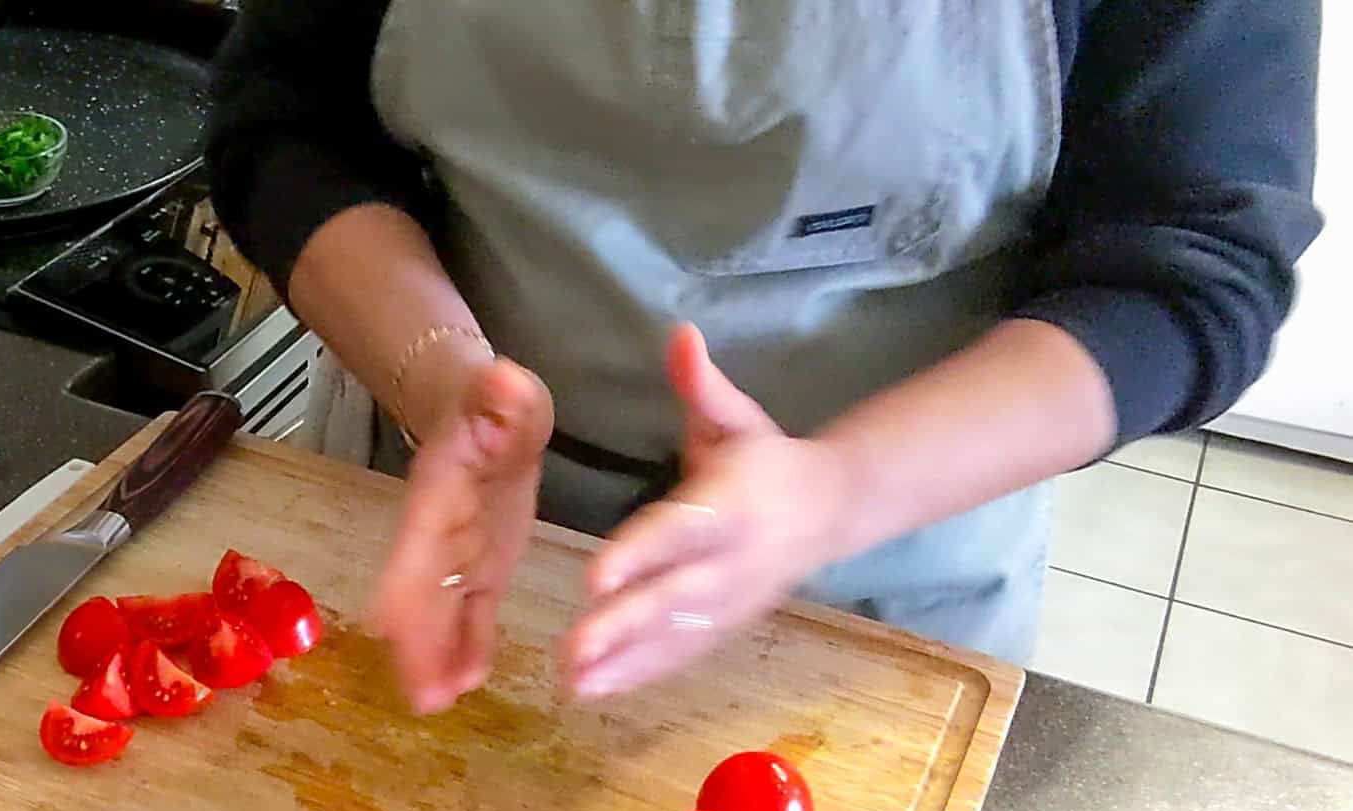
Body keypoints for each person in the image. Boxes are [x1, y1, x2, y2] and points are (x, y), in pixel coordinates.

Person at [207, 2, 1322, 714]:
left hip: (878, 583)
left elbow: (1192, 264)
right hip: (427, 510)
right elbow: (287, 119)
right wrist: (437, 374)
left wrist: (836, 489)